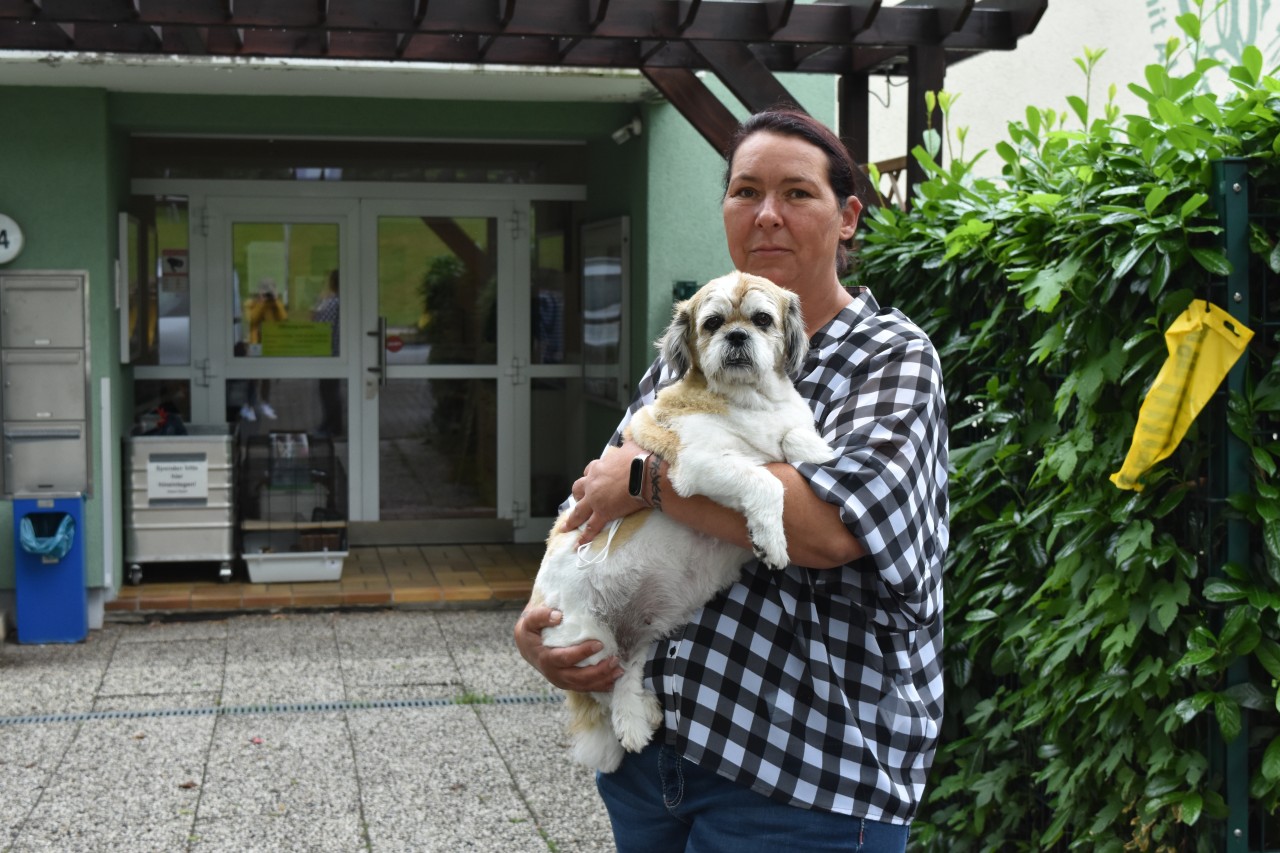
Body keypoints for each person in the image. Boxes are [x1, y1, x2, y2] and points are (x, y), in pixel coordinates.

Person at [514, 107, 949, 852]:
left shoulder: (891, 357)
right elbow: (593, 502)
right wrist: (536, 627)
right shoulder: (689, 356)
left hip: (805, 779)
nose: (767, 216)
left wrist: (652, 481)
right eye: (746, 192)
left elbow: (832, 527)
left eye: (797, 194)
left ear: (848, 217)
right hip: (652, 763)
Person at [238, 278, 287, 422]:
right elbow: (252, 319)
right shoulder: (250, 303)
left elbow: (283, 318)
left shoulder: (274, 305)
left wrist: (276, 301)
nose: (266, 295)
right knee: (253, 378)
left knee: (267, 376)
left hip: (269, 345)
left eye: (269, 291)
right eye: (265, 291)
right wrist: (262, 303)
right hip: (255, 344)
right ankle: (248, 406)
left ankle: (265, 403)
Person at [312, 270, 343, 437]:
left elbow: (321, 325)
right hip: (337, 352)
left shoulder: (332, 303)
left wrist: (315, 313)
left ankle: (331, 426)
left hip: (330, 353)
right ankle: (331, 424)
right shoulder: (343, 302)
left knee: (328, 391)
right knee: (331, 390)